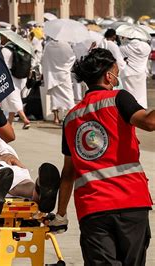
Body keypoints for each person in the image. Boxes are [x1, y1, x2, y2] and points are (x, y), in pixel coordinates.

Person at [52, 48, 154, 265]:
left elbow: (68, 173)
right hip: (131, 202)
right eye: (116, 72)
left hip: (93, 208)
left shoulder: (71, 118)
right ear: (109, 76)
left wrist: (61, 214)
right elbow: (149, 122)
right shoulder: (119, 98)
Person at [0, 34, 32, 129]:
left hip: (11, 76)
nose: (1, 39)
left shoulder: (6, 50)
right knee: (12, 99)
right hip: (21, 77)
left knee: (13, 99)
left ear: (6, 38)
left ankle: (25, 120)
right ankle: (9, 123)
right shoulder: (21, 48)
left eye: (2, 37)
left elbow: (3, 65)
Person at [41, 38, 76, 124]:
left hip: (52, 74)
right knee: (68, 96)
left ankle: (56, 118)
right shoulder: (66, 46)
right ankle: (70, 115)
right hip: (64, 74)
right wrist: (66, 67)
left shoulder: (48, 46)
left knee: (54, 97)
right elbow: (72, 58)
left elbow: (43, 59)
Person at [119, 37, 151, 109]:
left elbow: (121, 59)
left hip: (128, 73)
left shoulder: (123, 47)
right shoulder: (146, 46)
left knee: (128, 92)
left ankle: (129, 108)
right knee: (141, 93)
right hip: (141, 73)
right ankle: (141, 107)